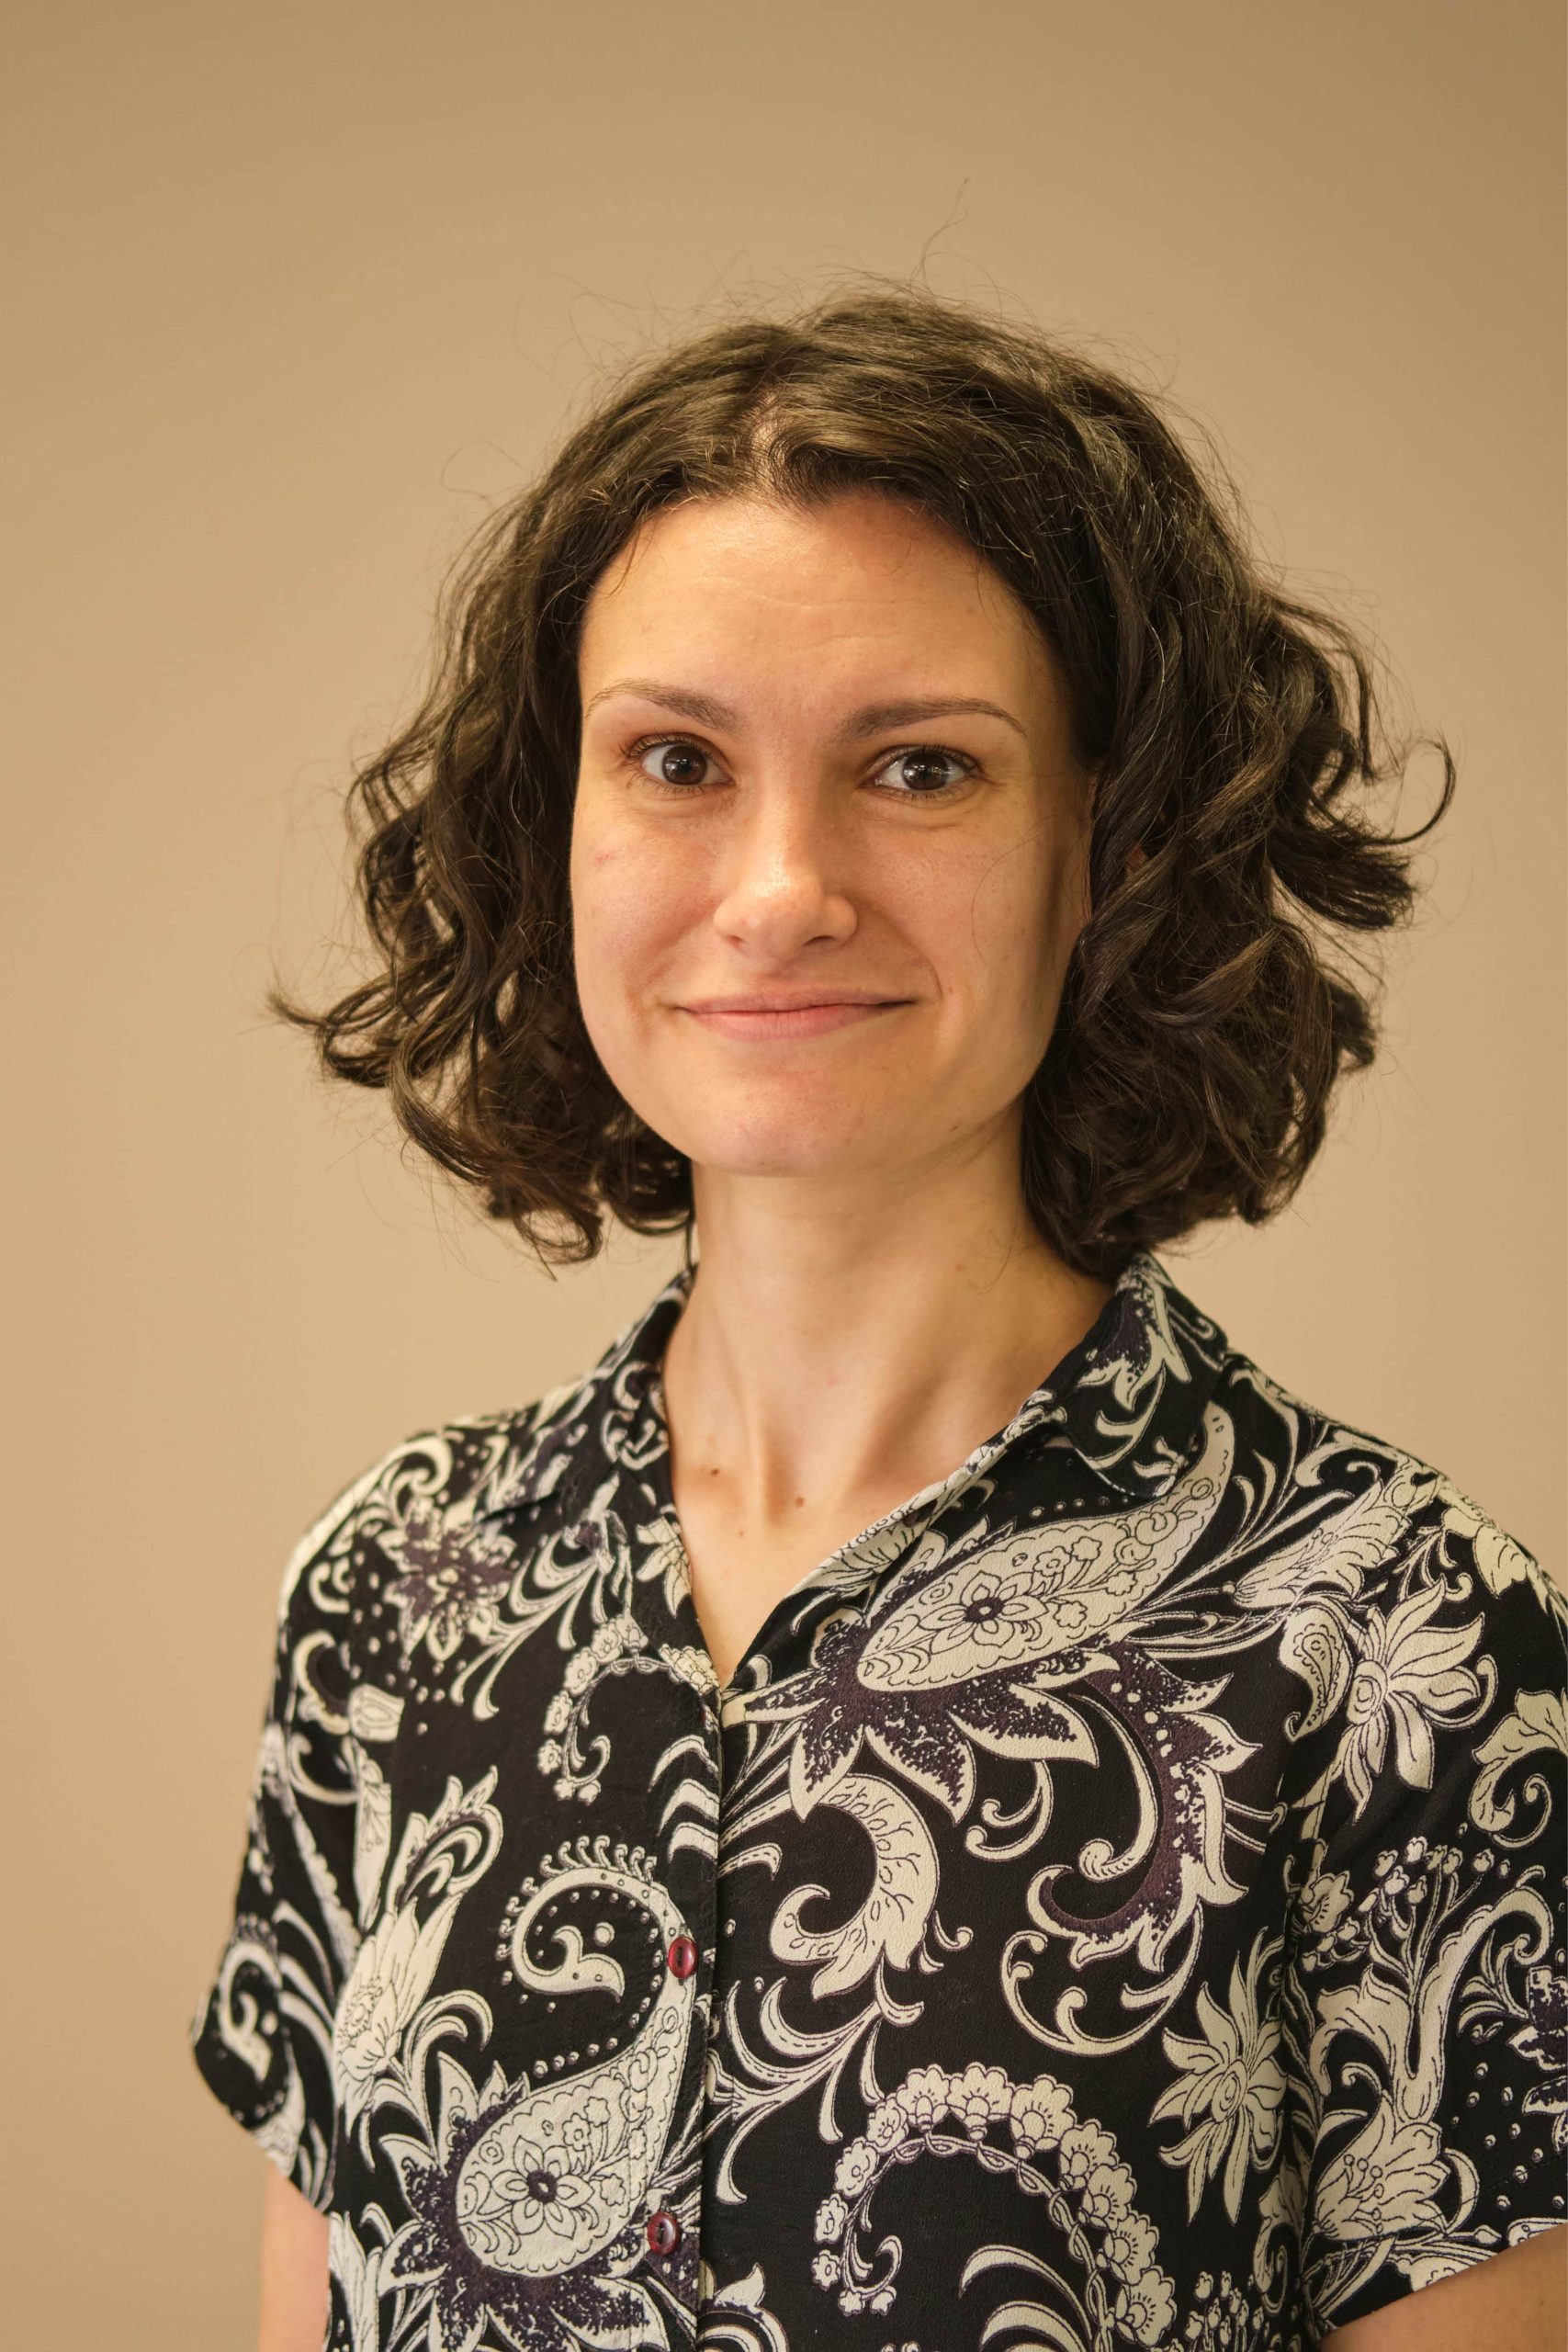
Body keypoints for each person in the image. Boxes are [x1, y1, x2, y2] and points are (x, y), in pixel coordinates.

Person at [190, 282, 1568, 2352]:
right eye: (673, 758)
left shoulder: (1394, 1641)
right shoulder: (394, 1589)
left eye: (918, 767)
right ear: (552, 827)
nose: (776, 887)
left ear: (1100, 849)